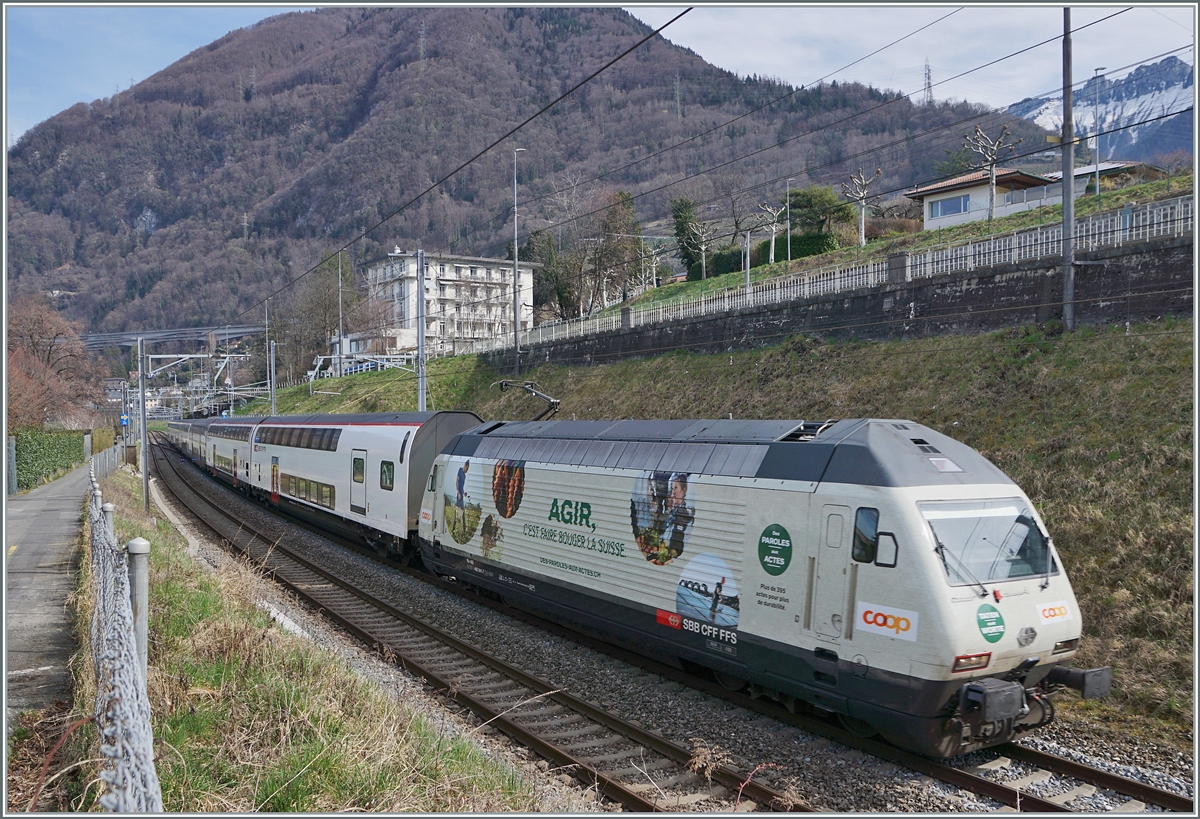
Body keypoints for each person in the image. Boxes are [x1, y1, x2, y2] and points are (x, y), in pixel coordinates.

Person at [455, 460, 470, 529]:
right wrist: (458, 493)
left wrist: (464, 493)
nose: (467, 470)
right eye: (467, 468)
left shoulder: (464, 476)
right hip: (459, 496)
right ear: (465, 466)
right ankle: (454, 528)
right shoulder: (460, 471)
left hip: (462, 495)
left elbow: (462, 486)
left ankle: (464, 529)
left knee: (462, 513)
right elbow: (457, 482)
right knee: (458, 513)